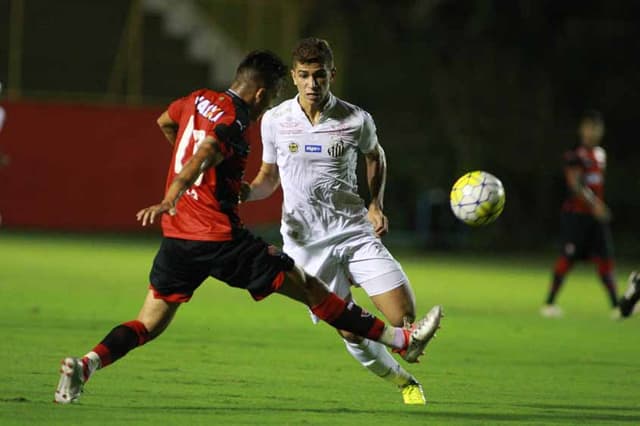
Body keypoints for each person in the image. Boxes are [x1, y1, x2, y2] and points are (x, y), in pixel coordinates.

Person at [54, 50, 442, 404]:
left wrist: (187, 185)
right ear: (262, 94)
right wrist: (175, 190)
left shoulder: (196, 99)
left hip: (178, 239)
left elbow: (166, 122)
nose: (272, 103)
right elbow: (206, 152)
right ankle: (401, 339)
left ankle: (85, 365)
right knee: (310, 288)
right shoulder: (235, 120)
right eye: (272, 95)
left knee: (148, 324)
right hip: (220, 238)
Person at [242, 38, 442, 405]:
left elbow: (375, 156)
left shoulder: (355, 118)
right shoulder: (274, 120)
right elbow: (268, 177)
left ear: (331, 75)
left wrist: (376, 205)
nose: (312, 84)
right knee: (351, 332)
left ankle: (406, 345)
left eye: (319, 75)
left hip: (353, 231)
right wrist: (245, 193)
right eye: (304, 76)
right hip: (305, 243)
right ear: (293, 76)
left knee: (404, 317)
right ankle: (404, 381)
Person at [541, 110, 618, 318]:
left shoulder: (601, 154)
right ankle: (549, 303)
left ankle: (616, 306)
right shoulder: (574, 156)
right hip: (576, 216)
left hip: (595, 217)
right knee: (568, 258)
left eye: (596, 127)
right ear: (581, 129)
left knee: (605, 260)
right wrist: (596, 205)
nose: (592, 131)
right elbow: (575, 185)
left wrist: (597, 207)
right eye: (589, 126)